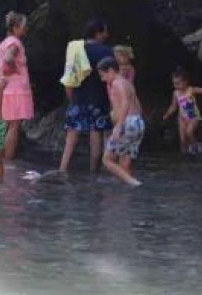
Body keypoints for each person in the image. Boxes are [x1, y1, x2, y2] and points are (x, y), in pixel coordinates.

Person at [58, 19, 114, 173]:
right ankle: (93, 171)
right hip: (98, 99)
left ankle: (62, 169)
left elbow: (68, 77)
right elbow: (111, 79)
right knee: (96, 134)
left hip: (78, 97)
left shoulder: (75, 48)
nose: (107, 35)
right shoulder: (106, 51)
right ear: (98, 33)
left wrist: (72, 99)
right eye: (105, 31)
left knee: (72, 136)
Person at [97, 57, 144, 187]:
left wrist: (119, 125)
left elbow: (125, 103)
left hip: (127, 122)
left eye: (103, 75)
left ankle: (134, 183)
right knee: (125, 160)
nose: (102, 79)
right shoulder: (128, 83)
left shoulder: (118, 83)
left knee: (107, 159)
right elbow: (138, 106)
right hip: (137, 122)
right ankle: (125, 193)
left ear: (111, 70)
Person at [0, 11, 34, 161]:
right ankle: (8, 161)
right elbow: (8, 58)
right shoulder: (15, 42)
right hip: (16, 89)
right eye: (24, 26)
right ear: (16, 27)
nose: (26, 29)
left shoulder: (3, 42)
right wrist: (15, 70)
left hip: (7, 88)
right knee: (14, 126)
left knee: (5, 124)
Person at [162, 69, 202, 155]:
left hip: (193, 116)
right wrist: (167, 114)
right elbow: (173, 106)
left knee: (189, 132)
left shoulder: (191, 90)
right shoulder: (175, 93)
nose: (176, 86)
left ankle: (195, 148)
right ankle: (185, 156)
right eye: (174, 83)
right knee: (182, 140)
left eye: (178, 83)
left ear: (185, 82)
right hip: (181, 118)